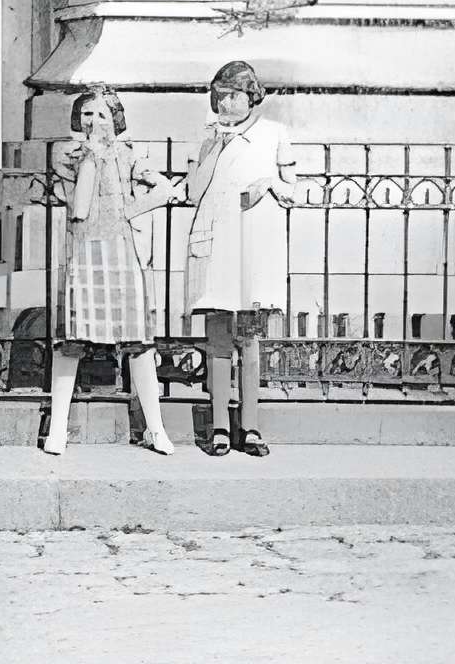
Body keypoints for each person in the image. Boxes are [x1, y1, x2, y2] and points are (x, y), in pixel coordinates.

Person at [43, 87, 179, 457]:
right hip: (85, 251)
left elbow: (166, 188)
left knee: (138, 343)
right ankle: (58, 430)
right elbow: (80, 206)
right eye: (88, 114)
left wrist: (132, 210)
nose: (94, 121)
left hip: (122, 251)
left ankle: (156, 428)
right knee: (71, 341)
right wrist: (92, 155)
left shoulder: (130, 156)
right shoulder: (67, 155)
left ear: (116, 120)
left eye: (102, 114)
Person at [179, 58, 301, 456]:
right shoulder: (209, 137)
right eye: (220, 96)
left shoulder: (274, 134)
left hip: (254, 248)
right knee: (217, 339)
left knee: (250, 340)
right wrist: (214, 147)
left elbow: (294, 190)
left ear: (251, 95)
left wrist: (269, 182)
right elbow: (193, 192)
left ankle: (249, 427)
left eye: (233, 95)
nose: (225, 104)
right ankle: (218, 427)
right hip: (217, 248)